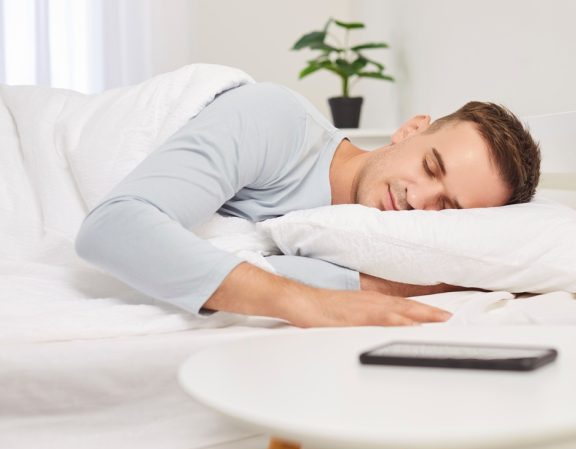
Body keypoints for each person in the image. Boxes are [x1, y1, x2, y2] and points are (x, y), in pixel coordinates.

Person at [75, 82, 541, 328]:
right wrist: (304, 303)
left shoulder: (374, 251)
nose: (418, 199)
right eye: (430, 166)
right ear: (411, 130)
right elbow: (113, 226)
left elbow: (266, 270)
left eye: (448, 208)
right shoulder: (277, 121)